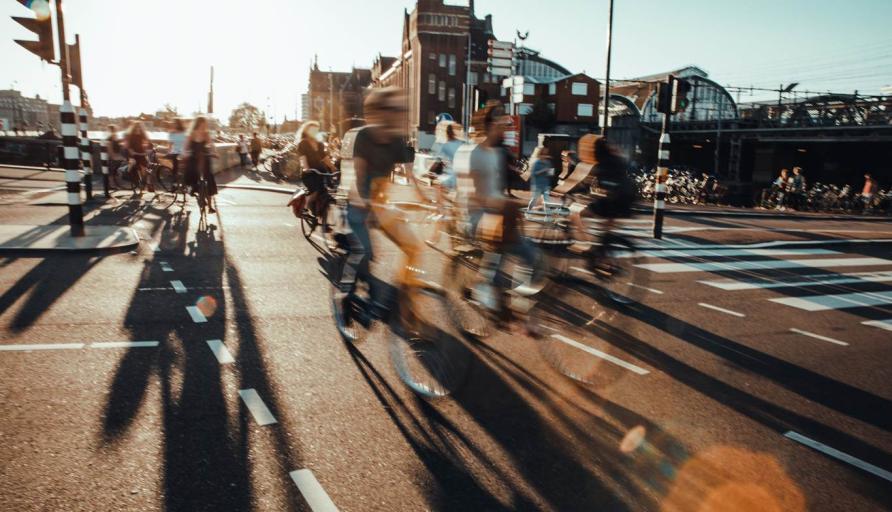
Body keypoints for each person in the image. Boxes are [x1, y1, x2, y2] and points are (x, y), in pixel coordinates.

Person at [339, 87, 421, 321]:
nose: (399, 113)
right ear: (379, 112)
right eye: (394, 109)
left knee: (413, 246)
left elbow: (410, 176)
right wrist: (367, 202)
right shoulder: (363, 137)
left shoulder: (396, 140)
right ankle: (346, 295)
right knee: (364, 254)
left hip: (381, 205)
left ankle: (406, 296)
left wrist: (428, 199)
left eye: (401, 109)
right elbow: (358, 176)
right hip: (358, 204)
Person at [570, 135, 636, 260]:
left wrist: (575, 190)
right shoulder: (617, 159)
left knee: (575, 213)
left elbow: (584, 183)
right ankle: (603, 255)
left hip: (612, 200)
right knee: (606, 232)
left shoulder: (599, 164)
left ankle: (586, 244)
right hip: (627, 198)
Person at [297, 120, 334, 219]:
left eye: (316, 130)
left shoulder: (319, 143)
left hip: (321, 172)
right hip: (309, 173)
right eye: (312, 130)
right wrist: (306, 168)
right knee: (316, 191)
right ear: (307, 131)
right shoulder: (303, 143)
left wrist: (333, 167)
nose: (314, 132)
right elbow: (303, 157)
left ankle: (324, 220)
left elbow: (324, 158)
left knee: (327, 193)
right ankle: (306, 208)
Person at [182, 116, 218, 213]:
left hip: (205, 158)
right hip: (194, 158)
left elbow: (211, 144)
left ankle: (210, 207)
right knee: (191, 175)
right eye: (202, 124)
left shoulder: (206, 134)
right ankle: (193, 191)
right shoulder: (191, 134)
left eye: (204, 124)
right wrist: (185, 153)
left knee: (209, 180)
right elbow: (185, 147)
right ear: (197, 124)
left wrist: (214, 152)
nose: (203, 126)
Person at [124, 121, 153, 194]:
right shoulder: (130, 135)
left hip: (141, 152)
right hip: (133, 153)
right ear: (134, 128)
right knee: (134, 163)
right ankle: (127, 173)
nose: (138, 129)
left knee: (147, 168)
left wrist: (151, 147)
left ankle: (147, 184)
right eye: (137, 127)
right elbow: (128, 146)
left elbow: (149, 142)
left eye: (139, 127)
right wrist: (132, 152)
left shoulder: (142, 135)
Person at [527, 146, 554, 215]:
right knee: (534, 199)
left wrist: (550, 171)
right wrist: (543, 170)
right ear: (539, 155)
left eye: (545, 154)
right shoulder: (536, 163)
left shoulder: (548, 163)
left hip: (546, 184)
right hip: (537, 184)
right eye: (543, 154)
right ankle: (528, 211)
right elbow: (533, 174)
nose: (544, 156)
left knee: (546, 201)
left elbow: (551, 174)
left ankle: (547, 216)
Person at [106, 125, 125, 189]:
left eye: (115, 130)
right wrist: (113, 157)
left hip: (116, 156)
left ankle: (114, 184)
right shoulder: (110, 138)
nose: (115, 131)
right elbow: (110, 149)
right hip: (112, 157)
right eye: (114, 130)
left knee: (115, 171)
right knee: (111, 171)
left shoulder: (115, 138)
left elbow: (118, 148)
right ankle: (111, 185)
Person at [168, 119, 186, 183]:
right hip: (175, 152)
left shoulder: (184, 132)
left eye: (175, 123)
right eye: (173, 123)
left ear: (179, 124)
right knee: (175, 160)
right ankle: (174, 181)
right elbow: (170, 145)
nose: (174, 124)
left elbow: (186, 143)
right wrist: (169, 152)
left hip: (183, 151)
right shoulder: (171, 133)